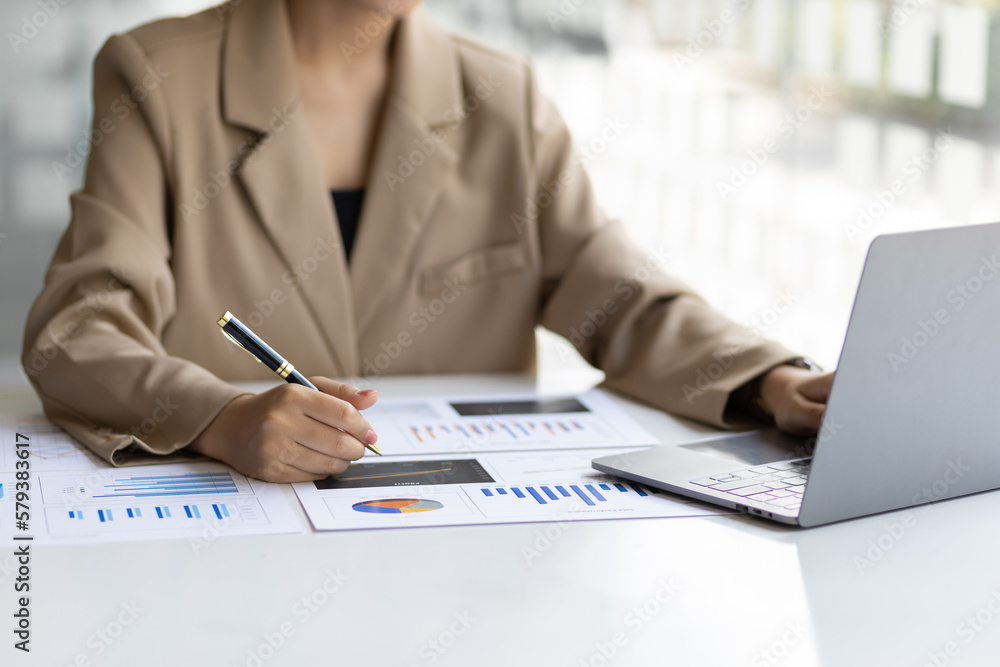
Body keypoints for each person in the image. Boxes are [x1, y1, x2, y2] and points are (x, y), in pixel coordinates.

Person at [22, 0, 833, 483]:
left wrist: (769, 381)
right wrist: (221, 415)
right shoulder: (159, 76)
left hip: (459, 558)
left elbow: (617, 292)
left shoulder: (501, 97)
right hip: (237, 555)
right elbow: (76, 330)